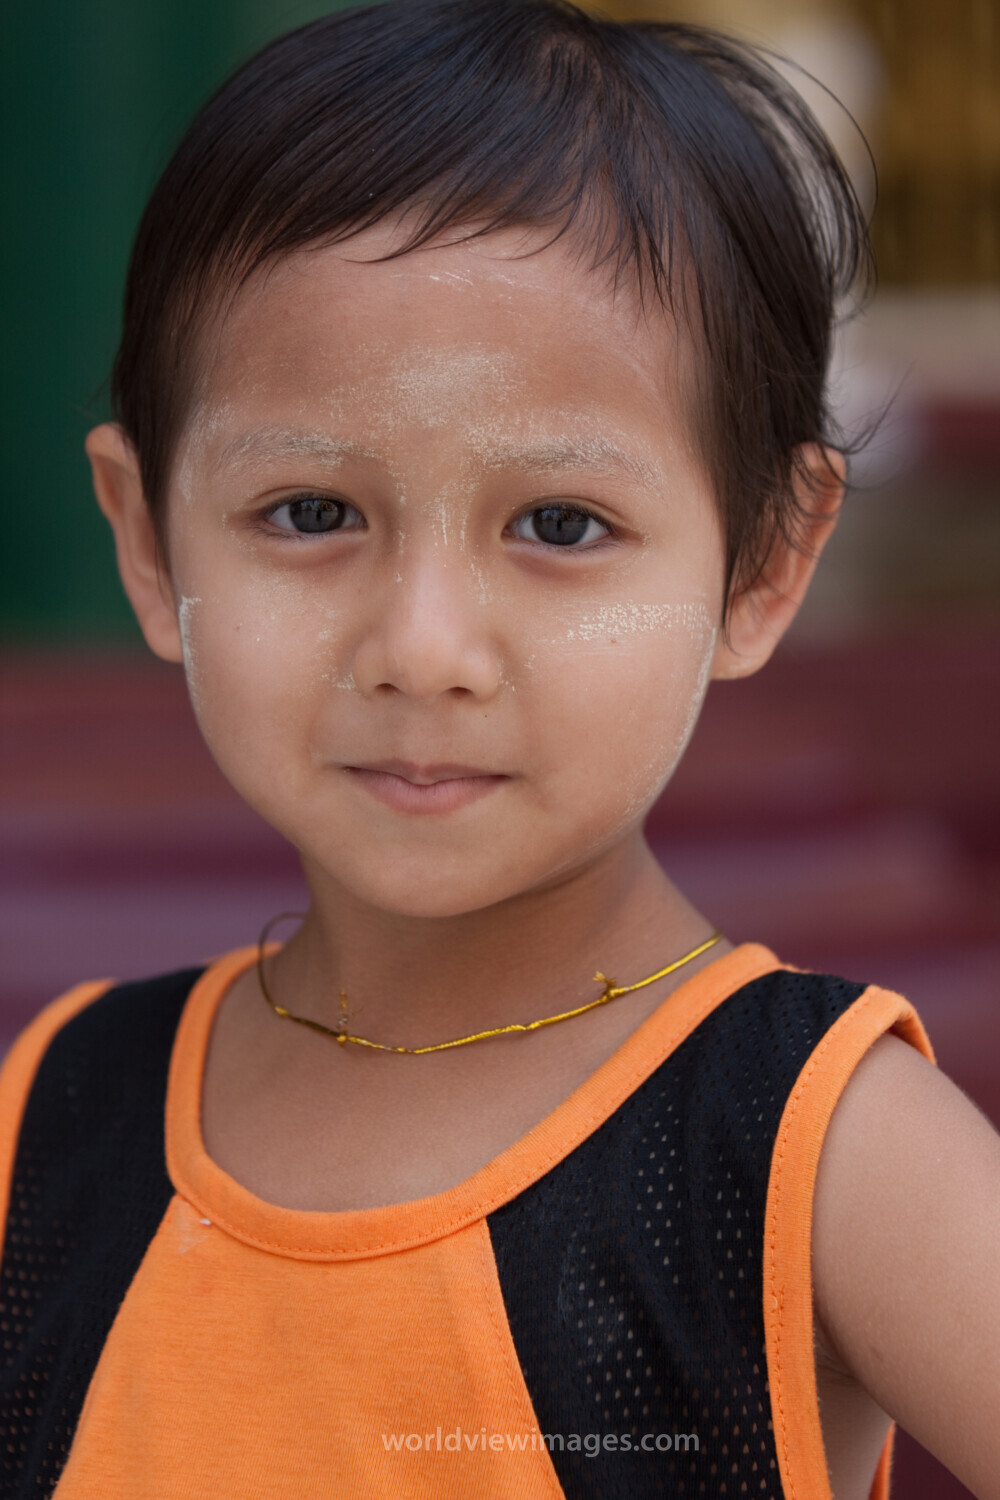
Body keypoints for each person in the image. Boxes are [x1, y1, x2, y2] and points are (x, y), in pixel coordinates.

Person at [1, 2, 997, 1496]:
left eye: (559, 527)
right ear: (149, 544)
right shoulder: (60, 1109)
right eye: (311, 515)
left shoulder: (811, 1152)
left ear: (762, 566)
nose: (422, 649)